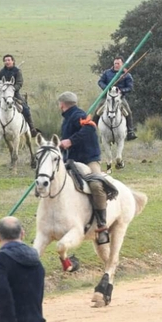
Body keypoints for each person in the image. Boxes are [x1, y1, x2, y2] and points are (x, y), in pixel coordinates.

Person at [57, 91, 110, 245]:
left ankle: (102, 226)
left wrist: (70, 141)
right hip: (72, 161)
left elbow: (90, 128)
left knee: (96, 185)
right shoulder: (67, 119)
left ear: (62, 104)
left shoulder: (78, 114)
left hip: (88, 160)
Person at [0, 55, 39, 141]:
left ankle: (32, 129)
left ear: (13, 61)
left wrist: (13, 88)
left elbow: (20, 82)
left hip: (15, 94)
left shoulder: (17, 71)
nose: (7, 62)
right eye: (5, 60)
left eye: (9, 60)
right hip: (3, 95)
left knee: (25, 108)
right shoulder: (2, 71)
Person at [95, 56, 137, 140]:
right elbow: (100, 82)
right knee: (97, 111)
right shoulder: (107, 73)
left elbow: (130, 87)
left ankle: (130, 131)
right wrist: (106, 88)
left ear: (122, 64)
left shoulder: (126, 75)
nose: (116, 65)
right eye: (115, 63)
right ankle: (91, 130)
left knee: (128, 112)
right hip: (107, 97)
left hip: (120, 98)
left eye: (118, 63)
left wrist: (121, 90)